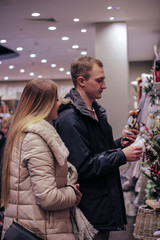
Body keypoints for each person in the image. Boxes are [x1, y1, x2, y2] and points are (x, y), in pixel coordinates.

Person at [53, 56, 143, 240]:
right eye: (99, 80)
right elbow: (83, 166)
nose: (104, 85)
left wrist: (120, 144)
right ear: (81, 81)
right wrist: (122, 155)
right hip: (88, 211)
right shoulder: (71, 119)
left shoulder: (95, 112)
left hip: (101, 204)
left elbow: (99, 152)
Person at [1, 78, 82, 240]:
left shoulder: (23, 134)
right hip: (41, 230)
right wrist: (72, 192)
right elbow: (47, 198)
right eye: (55, 100)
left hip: (33, 225)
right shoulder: (36, 139)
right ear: (44, 104)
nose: (59, 104)